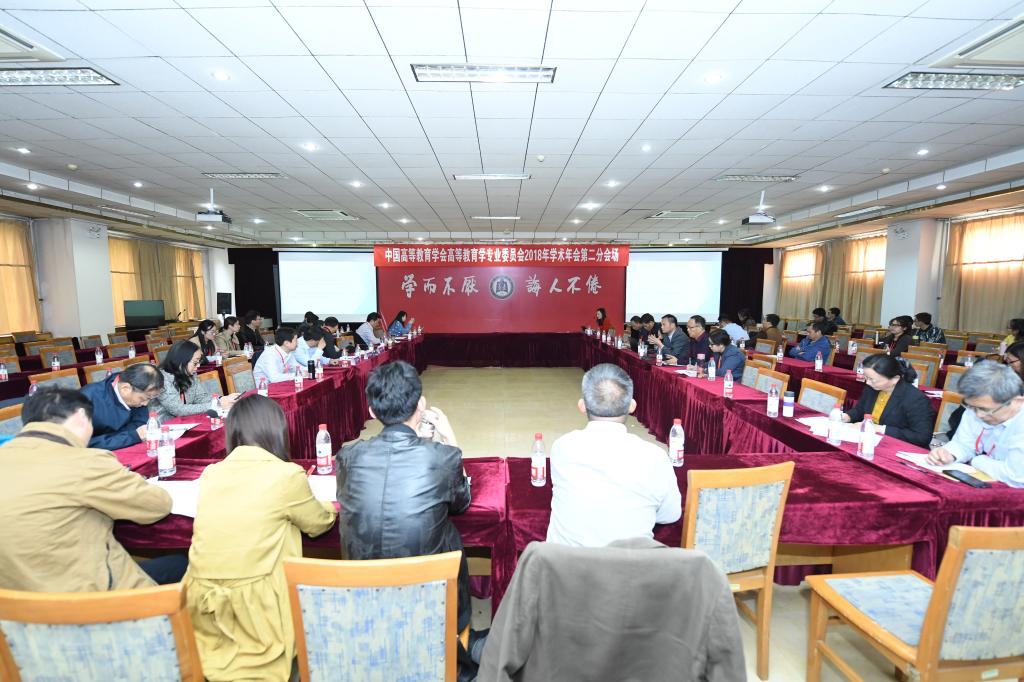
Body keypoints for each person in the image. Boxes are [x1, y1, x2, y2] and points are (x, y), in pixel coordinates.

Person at [335, 360, 478, 679]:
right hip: (430, 596)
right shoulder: (442, 457)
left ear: (371, 411)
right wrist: (449, 437)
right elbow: (462, 502)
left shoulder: (348, 457)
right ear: (421, 404)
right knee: (450, 531)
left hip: (364, 593)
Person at [184, 395, 336, 682]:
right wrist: (328, 506)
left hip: (200, 605)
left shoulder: (211, 473)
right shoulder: (286, 475)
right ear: (276, 429)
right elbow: (317, 523)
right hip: (257, 609)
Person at [0, 387, 183, 591]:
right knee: (182, 564)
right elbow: (157, 505)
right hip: (88, 599)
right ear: (81, 416)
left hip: (16, 602)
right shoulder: (85, 461)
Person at [547, 363, 680, 542]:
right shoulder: (656, 457)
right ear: (632, 406)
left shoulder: (562, 447)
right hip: (632, 560)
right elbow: (670, 515)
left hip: (565, 560)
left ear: (582, 406)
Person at [927, 362, 1024, 488]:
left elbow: (1015, 477)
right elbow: (964, 444)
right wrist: (949, 453)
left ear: (1016, 402)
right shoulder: (976, 407)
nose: (978, 415)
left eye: (985, 410)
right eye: (972, 407)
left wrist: (976, 460)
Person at [841, 355, 935, 448]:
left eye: (872, 379)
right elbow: (859, 410)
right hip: (870, 441)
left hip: (898, 447)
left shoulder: (915, 399)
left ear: (895, 379)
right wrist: (846, 417)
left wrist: (880, 429)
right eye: (866, 378)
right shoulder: (872, 387)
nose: (868, 382)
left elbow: (922, 437)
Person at [78, 362, 164, 450]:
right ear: (125, 388)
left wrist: (124, 438)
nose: (145, 404)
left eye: (149, 399)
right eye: (143, 399)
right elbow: (82, 443)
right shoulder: (87, 398)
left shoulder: (137, 391)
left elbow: (139, 425)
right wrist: (131, 436)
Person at [153, 341, 238, 421]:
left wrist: (222, 399)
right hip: (164, 424)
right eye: (195, 363)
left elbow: (200, 397)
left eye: (198, 362)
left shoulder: (190, 374)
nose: (198, 366)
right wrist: (216, 404)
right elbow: (178, 409)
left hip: (186, 421)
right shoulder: (162, 378)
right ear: (181, 360)